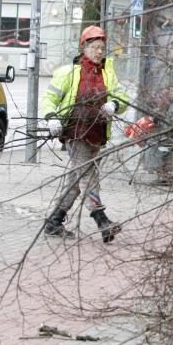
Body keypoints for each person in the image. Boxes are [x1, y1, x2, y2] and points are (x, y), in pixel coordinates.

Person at [41, 25, 129, 242]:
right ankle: (102, 221)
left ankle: (54, 222)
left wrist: (115, 105)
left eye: (102, 48)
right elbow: (49, 99)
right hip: (75, 132)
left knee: (77, 178)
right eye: (95, 48)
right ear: (84, 48)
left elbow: (123, 97)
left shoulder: (108, 73)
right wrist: (51, 117)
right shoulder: (68, 73)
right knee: (89, 176)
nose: (99, 52)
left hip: (97, 133)